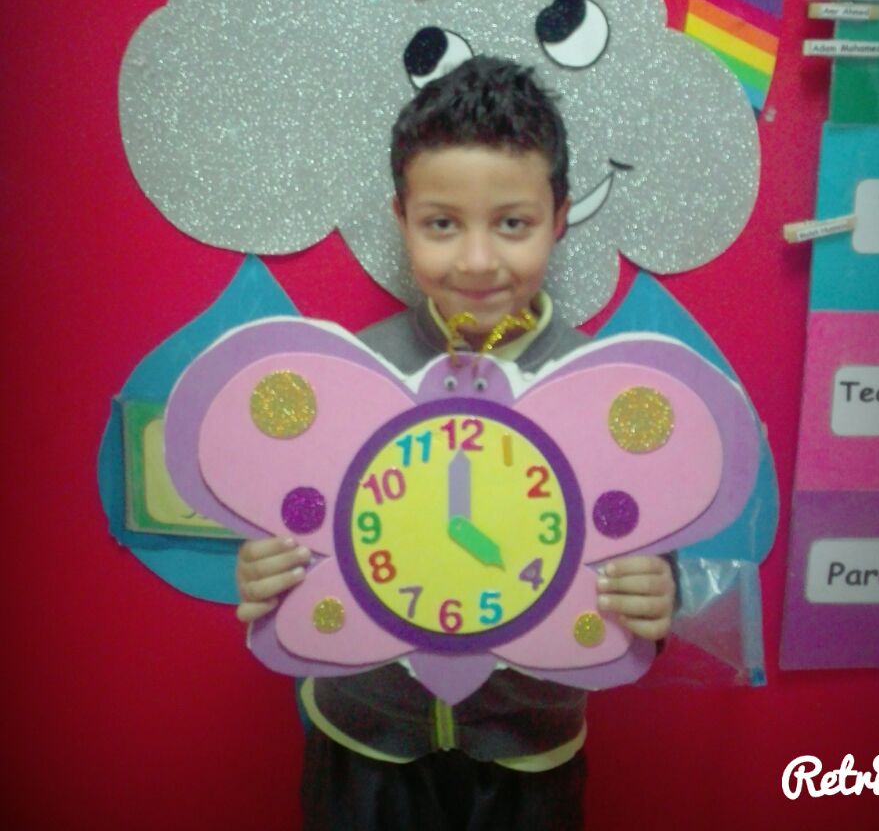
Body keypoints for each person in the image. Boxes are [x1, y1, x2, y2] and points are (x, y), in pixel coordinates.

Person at [236, 56, 676, 830]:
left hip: (530, 748)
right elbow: (298, 531)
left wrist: (658, 592)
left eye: (512, 223)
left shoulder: (604, 394)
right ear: (402, 217)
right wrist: (268, 570)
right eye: (442, 223)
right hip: (365, 741)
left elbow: (646, 539)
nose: (477, 261)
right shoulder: (349, 378)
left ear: (559, 217)